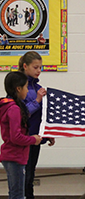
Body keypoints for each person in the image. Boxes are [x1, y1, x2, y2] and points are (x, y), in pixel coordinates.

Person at [18, 51, 55, 199]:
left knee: (30, 175)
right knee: (23, 177)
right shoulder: (19, 86)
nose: (39, 70)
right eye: (35, 67)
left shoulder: (37, 87)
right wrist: (38, 100)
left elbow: (41, 115)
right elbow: (21, 113)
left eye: (40, 67)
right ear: (25, 66)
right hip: (23, 139)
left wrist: (48, 131)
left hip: (35, 138)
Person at [0, 71, 42, 199]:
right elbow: (16, 137)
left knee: (16, 193)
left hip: (15, 156)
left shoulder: (15, 106)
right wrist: (32, 140)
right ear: (18, 89)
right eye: (25, 88)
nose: (27, 92)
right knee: (17, 195)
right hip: (14, 157)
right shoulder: (13, 109)